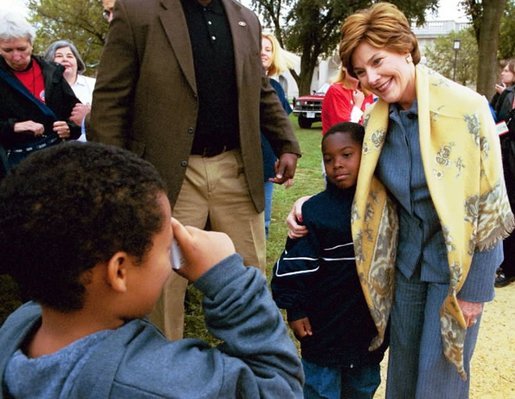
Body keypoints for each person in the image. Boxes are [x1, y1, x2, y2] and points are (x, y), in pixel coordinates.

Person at [287, 3, 514, 398]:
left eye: (377, 61)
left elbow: (490, 208)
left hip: (454, 273)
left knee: (440, 380)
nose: (371, 78)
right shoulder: (376, 121)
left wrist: (476, 290)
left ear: (405, 47)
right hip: (405, 269)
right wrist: (306, 204)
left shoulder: (468, 108)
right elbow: (357, 185)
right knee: (403, 376)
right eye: (360, 71)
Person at [0, 142, 304, 398]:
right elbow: (279, 385)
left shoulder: (18, 326)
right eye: (165, 245)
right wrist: (228, 281)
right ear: (119, 272)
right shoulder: (158, 383)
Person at [89, 0, 301, 340]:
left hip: (235, 167)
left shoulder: (246, 19)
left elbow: (258, 89)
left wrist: (286, 142)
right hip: (166, 173)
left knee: (247, 275)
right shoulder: (137, 13)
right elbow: (110, 101)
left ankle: (251, 368)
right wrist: (117, 177)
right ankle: (162, 374)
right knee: (160, 280)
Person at [272, 122, 389, 399]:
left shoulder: (384, 209)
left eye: (347, 155)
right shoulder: (314, 213)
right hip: (322, 331)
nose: (337, 164)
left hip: (366, 334)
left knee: (361, 389)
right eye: (328, 158)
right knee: (318, 392)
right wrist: (296, 309)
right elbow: (295, 267)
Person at [0, 10, 81, 173]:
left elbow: (75, 113)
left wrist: (69, 128)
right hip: (12, 165)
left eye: (21, 48)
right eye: (8, 50)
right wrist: (13, 127)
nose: (16, 57)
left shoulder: (52, 72)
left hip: (55, 159)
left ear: (31, 44)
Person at [261, 32, 294, 238]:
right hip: (236, 164)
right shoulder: (236, 85)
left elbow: (282, 129)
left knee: (262, 221)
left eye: (268, 49)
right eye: (259, 48)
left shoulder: (275, 89)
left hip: (265, 165)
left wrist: (286, 158)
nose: (263, 53)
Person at [491, 58, 515, 287]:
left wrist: (493, 132)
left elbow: (504, 126)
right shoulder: (507, 94)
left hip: (509, 159)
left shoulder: (510, 95)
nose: (504, 72)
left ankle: (508, 267)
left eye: (508, 69)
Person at [44, 40, 96, 141]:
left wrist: (89, 115)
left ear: (77, 62)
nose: (65, 59)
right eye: (59, 56)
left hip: (92, 145)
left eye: (70, 56)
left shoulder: (94, 84)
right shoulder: (43, 87)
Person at [321, 66, 374, 134]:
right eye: (351, 64)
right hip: (343, 143)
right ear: (344, 67)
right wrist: (358, 106)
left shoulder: (367, 92)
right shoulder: (336, 91)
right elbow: (344, 131)